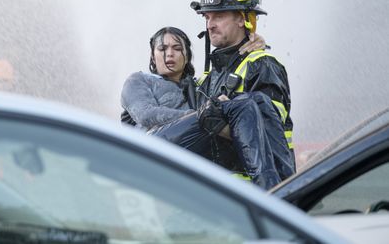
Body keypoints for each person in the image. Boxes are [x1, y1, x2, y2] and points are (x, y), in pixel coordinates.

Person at [121, 26, 293, 189]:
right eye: (162, 48)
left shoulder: (199, 87)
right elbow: (146, 115)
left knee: (257, 100)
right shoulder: (138, 80)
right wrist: (202, 114)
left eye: (177, 48)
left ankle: (286, 184)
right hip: (150, 150)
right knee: (237, 106)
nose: (170, 54)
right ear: (152, 56)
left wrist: (254, 43)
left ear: (187, 56)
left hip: (183, 155)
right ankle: (268, 187)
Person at [189, 0, 295, 182]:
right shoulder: (206, 79)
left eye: (218, 16)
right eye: (207, 17)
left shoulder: (262, 66)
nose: (210, 24)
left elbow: (268, 135)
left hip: (254, 196)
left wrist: (220, 125)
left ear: (242, 19)